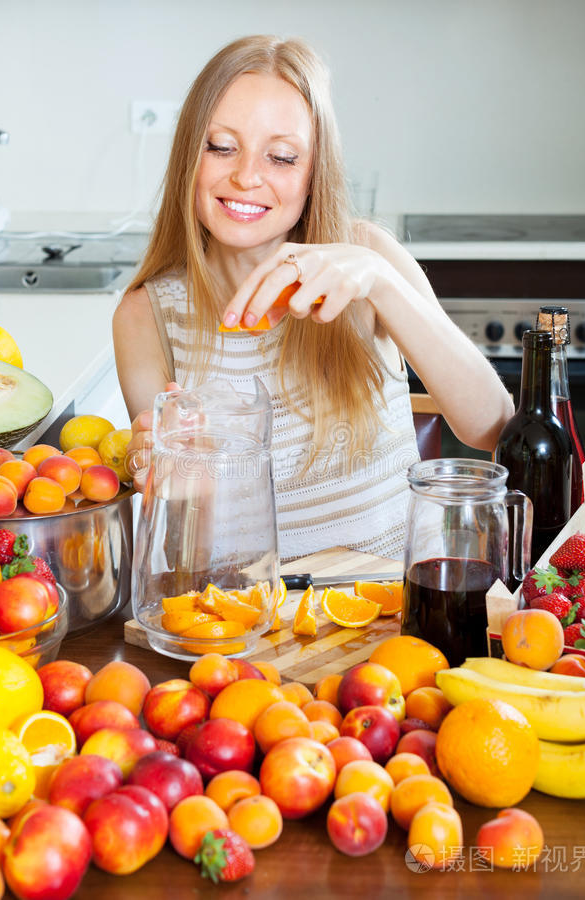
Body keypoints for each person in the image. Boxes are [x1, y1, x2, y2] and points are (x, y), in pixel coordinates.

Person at [113, 34, 513, 561]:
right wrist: (171, 477)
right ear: (190, 154)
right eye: (221, 146)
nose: (247, 176)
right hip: (258, 624)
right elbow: (197, 542)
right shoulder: (147, 315)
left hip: (399, 616)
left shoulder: (368, 256)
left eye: (281, 157)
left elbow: (495, 427)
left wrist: (381, 281)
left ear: (312, 173)